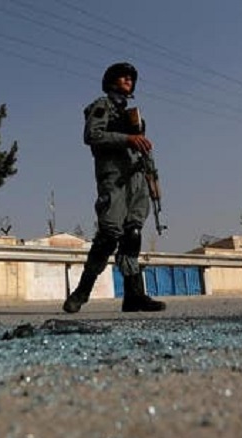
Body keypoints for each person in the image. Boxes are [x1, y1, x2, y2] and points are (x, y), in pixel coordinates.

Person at [63, 62, 166, 314]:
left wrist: (154, 181)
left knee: (133, 235)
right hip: (115, 179)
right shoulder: (102, 106)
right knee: (108, 236)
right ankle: (81, 293)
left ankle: (134, 297)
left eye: (131, 77)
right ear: (111, 80)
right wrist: (127, 138)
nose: (128, 79)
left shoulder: (134, 116)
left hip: (137, 180)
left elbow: (145, 149)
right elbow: (92, 136)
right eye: (123, 76)